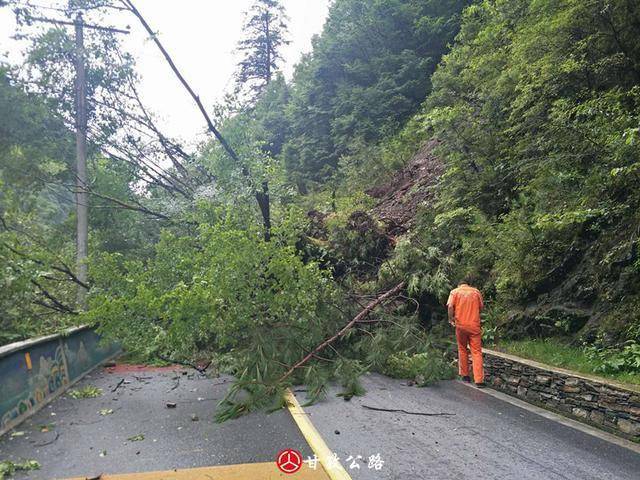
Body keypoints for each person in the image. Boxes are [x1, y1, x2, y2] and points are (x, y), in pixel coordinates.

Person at [447, 278, 485, 387]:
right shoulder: (476, 292)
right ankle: (479, 380)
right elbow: (481, 307)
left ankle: (465, 375)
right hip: (474, 326)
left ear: (459, 285)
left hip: (461, 326)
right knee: (476, 352)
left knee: (462, 349)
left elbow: (450, 306)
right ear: (468, 284)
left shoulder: (454, 292)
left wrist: (451, 319)